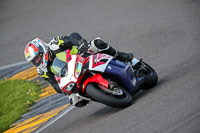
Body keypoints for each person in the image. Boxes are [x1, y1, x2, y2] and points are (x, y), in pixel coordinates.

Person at [24, 32, 133, 94]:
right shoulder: (42, 71)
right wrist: (64, 90)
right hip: (73, 76)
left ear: (42, 49)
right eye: (34, 61)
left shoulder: (55, 44)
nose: (37, 61)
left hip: (83, 55)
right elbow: (55, 85)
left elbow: (72, 36)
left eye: (37, 57)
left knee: (96, 43)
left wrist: (80, 43)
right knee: (75, 100)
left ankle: (120, 56)